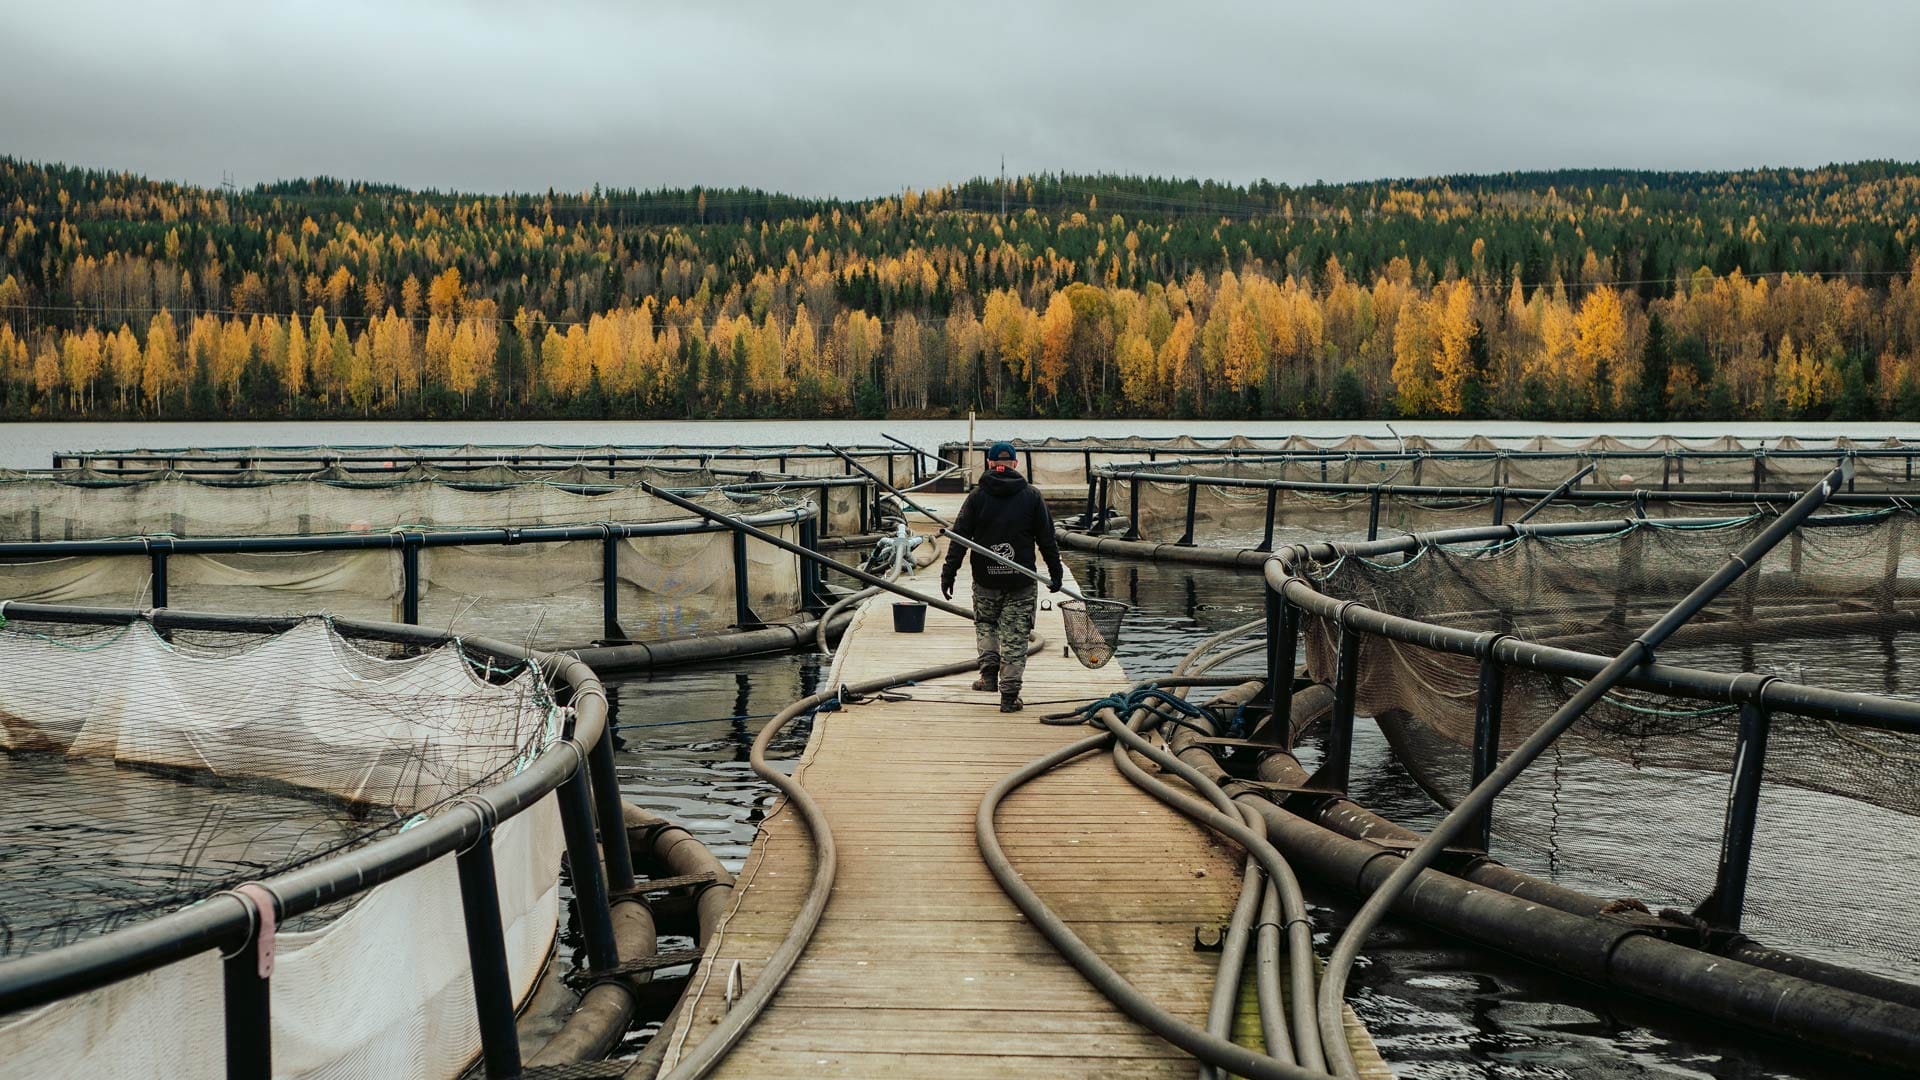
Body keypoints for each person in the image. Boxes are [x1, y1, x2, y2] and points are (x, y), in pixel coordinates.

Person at [940, 441, 1064, 712]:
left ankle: (988, 676)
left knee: (986, 625)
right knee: (1016, 638)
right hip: (1021, 582)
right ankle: (1008, 697)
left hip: (986, 580)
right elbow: (1047, 540)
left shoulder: (977, 497)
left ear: (988, 463)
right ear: (1016, 465)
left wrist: (948, 573)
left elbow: (959, 538)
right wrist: (1056, 572)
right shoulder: (1031, 496)